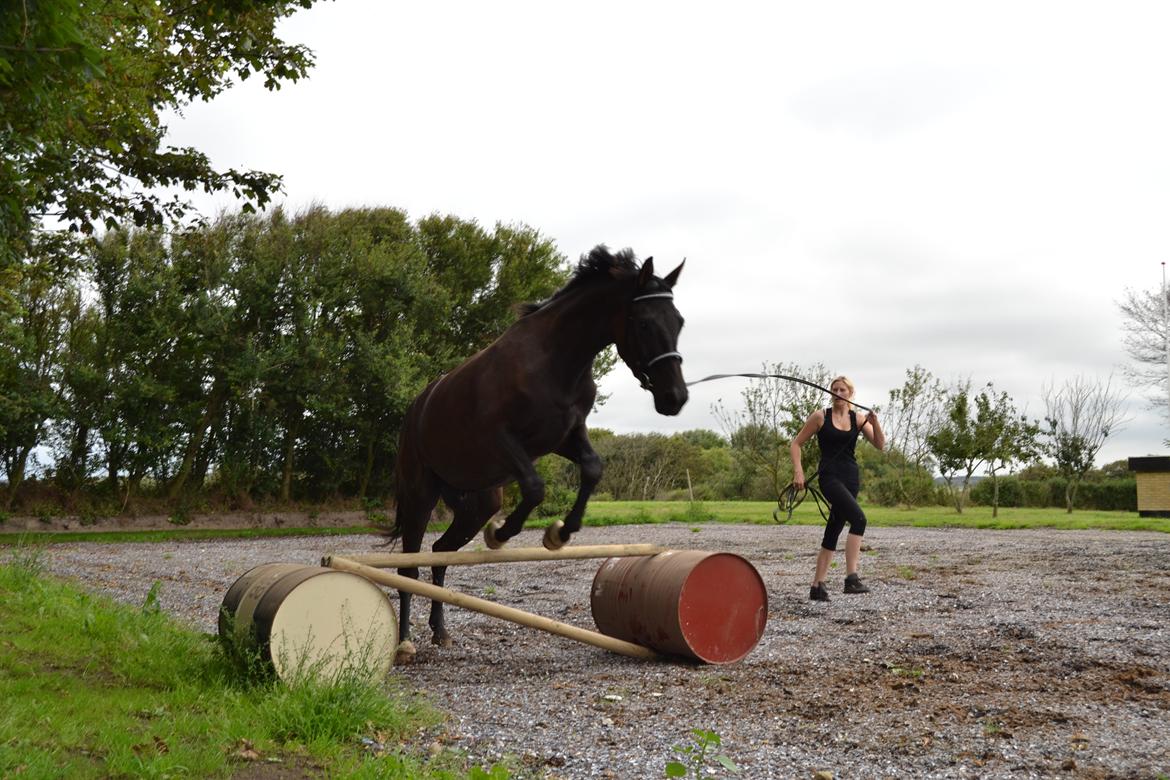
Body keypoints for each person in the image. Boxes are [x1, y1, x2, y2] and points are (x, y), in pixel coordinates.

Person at [789, 375, 885, 602]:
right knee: (859, 519)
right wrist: (798, 472)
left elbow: (880, 445)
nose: (838, 393)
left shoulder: (859, 418)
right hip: (830, 477)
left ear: (850, 393)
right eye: (834, 389)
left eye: (843, 390)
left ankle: (817, 586)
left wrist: (875, 421)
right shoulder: (821, 416)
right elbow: (795, 444)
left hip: (851, 478)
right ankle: (851, 578)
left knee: (834, 528)